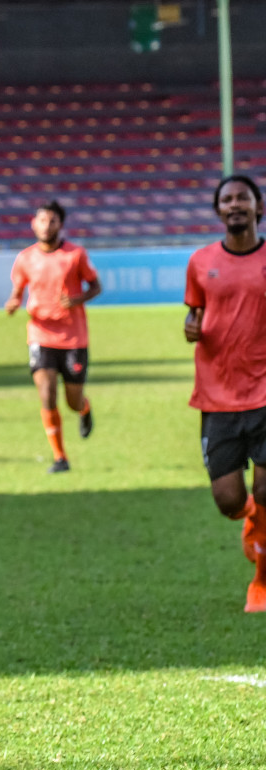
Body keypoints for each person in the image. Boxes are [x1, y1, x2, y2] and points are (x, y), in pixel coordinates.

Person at [183, 174, 266, 613]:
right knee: (228, 500)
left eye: (243, 198)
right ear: (218, 211)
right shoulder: (200, 263)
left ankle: (262, 581)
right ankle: (251, 516)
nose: (235, 205)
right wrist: (190, 328)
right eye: (227, 199)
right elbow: (194, 317)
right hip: (217, 397)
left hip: (265, 394)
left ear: (258, 208)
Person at [4, 200, 102, 473]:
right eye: (42, 220)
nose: (47, 226)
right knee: (46, 394)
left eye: (52, 221)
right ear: (34, 224)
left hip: (73, 339)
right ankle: (60, 458)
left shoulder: (75, 255)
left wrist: (78, 298)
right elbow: (17, 290)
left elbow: (96, 286)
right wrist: (12, 302)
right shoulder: (25, 258)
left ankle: (83, 409)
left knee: (72, 400)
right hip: (40, 335)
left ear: (61, 224)